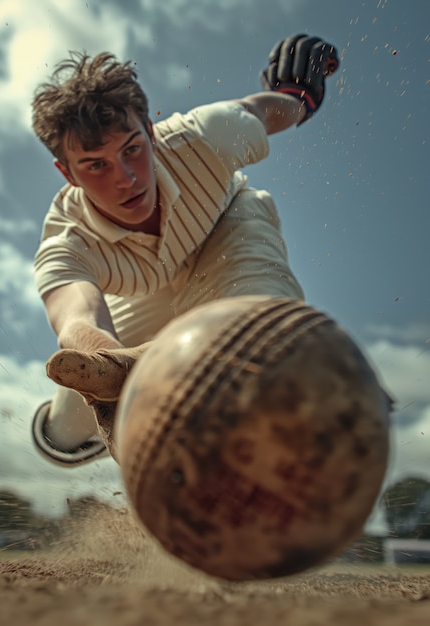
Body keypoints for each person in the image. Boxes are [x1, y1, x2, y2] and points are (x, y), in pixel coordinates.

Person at [30, 34, 340, 465]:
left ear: (151, 134)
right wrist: (118, 369)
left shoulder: (203, 137)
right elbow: (77, 317)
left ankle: (261, 377)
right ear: (67, 173)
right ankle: (74, 428)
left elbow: (261, 111)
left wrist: (298, 97)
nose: (126, 178)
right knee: (71, 418)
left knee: (258, 314)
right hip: (144, 298)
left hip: (224, 232)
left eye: (132, 149)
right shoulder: (68, 238)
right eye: (96, 164)